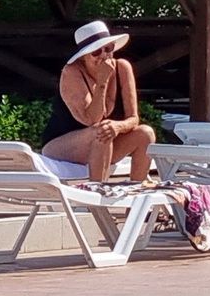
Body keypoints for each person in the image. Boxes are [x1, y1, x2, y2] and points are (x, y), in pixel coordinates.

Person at [43, 19, 155, 180]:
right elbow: (92, 119)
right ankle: (98, 192)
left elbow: (133, 118)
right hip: (62, 146)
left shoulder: (122, 68)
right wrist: (102, 81)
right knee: (101, 130)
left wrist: (118, 126)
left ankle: (137, 190)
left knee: (146, 133)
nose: (103, 55)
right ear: (84, 57)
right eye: (96, 52)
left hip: (103, 143)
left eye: (108, 48)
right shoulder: (72, 72)